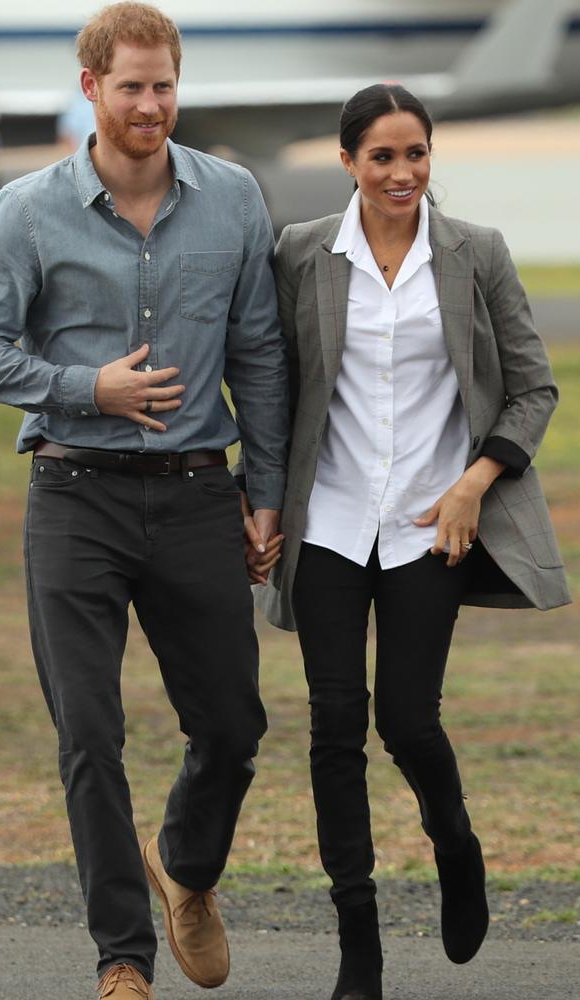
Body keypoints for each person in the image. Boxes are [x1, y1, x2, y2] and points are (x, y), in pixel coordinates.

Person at [0, 4, 287, 998]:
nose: (149, 105)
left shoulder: (231, 198)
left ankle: (183, 866)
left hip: (194, 496)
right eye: (131, 86)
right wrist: (81, 386)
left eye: (163, 86)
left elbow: (259, 355)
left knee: (231, 726)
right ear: (89, 86)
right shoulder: (27, 208)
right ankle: (123, 959)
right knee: (88, 733)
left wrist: (263, 493)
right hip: (73, 495)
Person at [248, 83, 571, 1000]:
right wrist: (260, 498)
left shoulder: (478, 253)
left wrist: (475, 483)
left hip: (434, 528)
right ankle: (361, 945)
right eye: (382, 156)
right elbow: (272, 385)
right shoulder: (302, 253)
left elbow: (532, 390)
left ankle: (455, 845)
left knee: (407, 722)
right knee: (334, 729)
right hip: (331, 526)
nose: (402, 172)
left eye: (416, 154)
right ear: (347, 161)